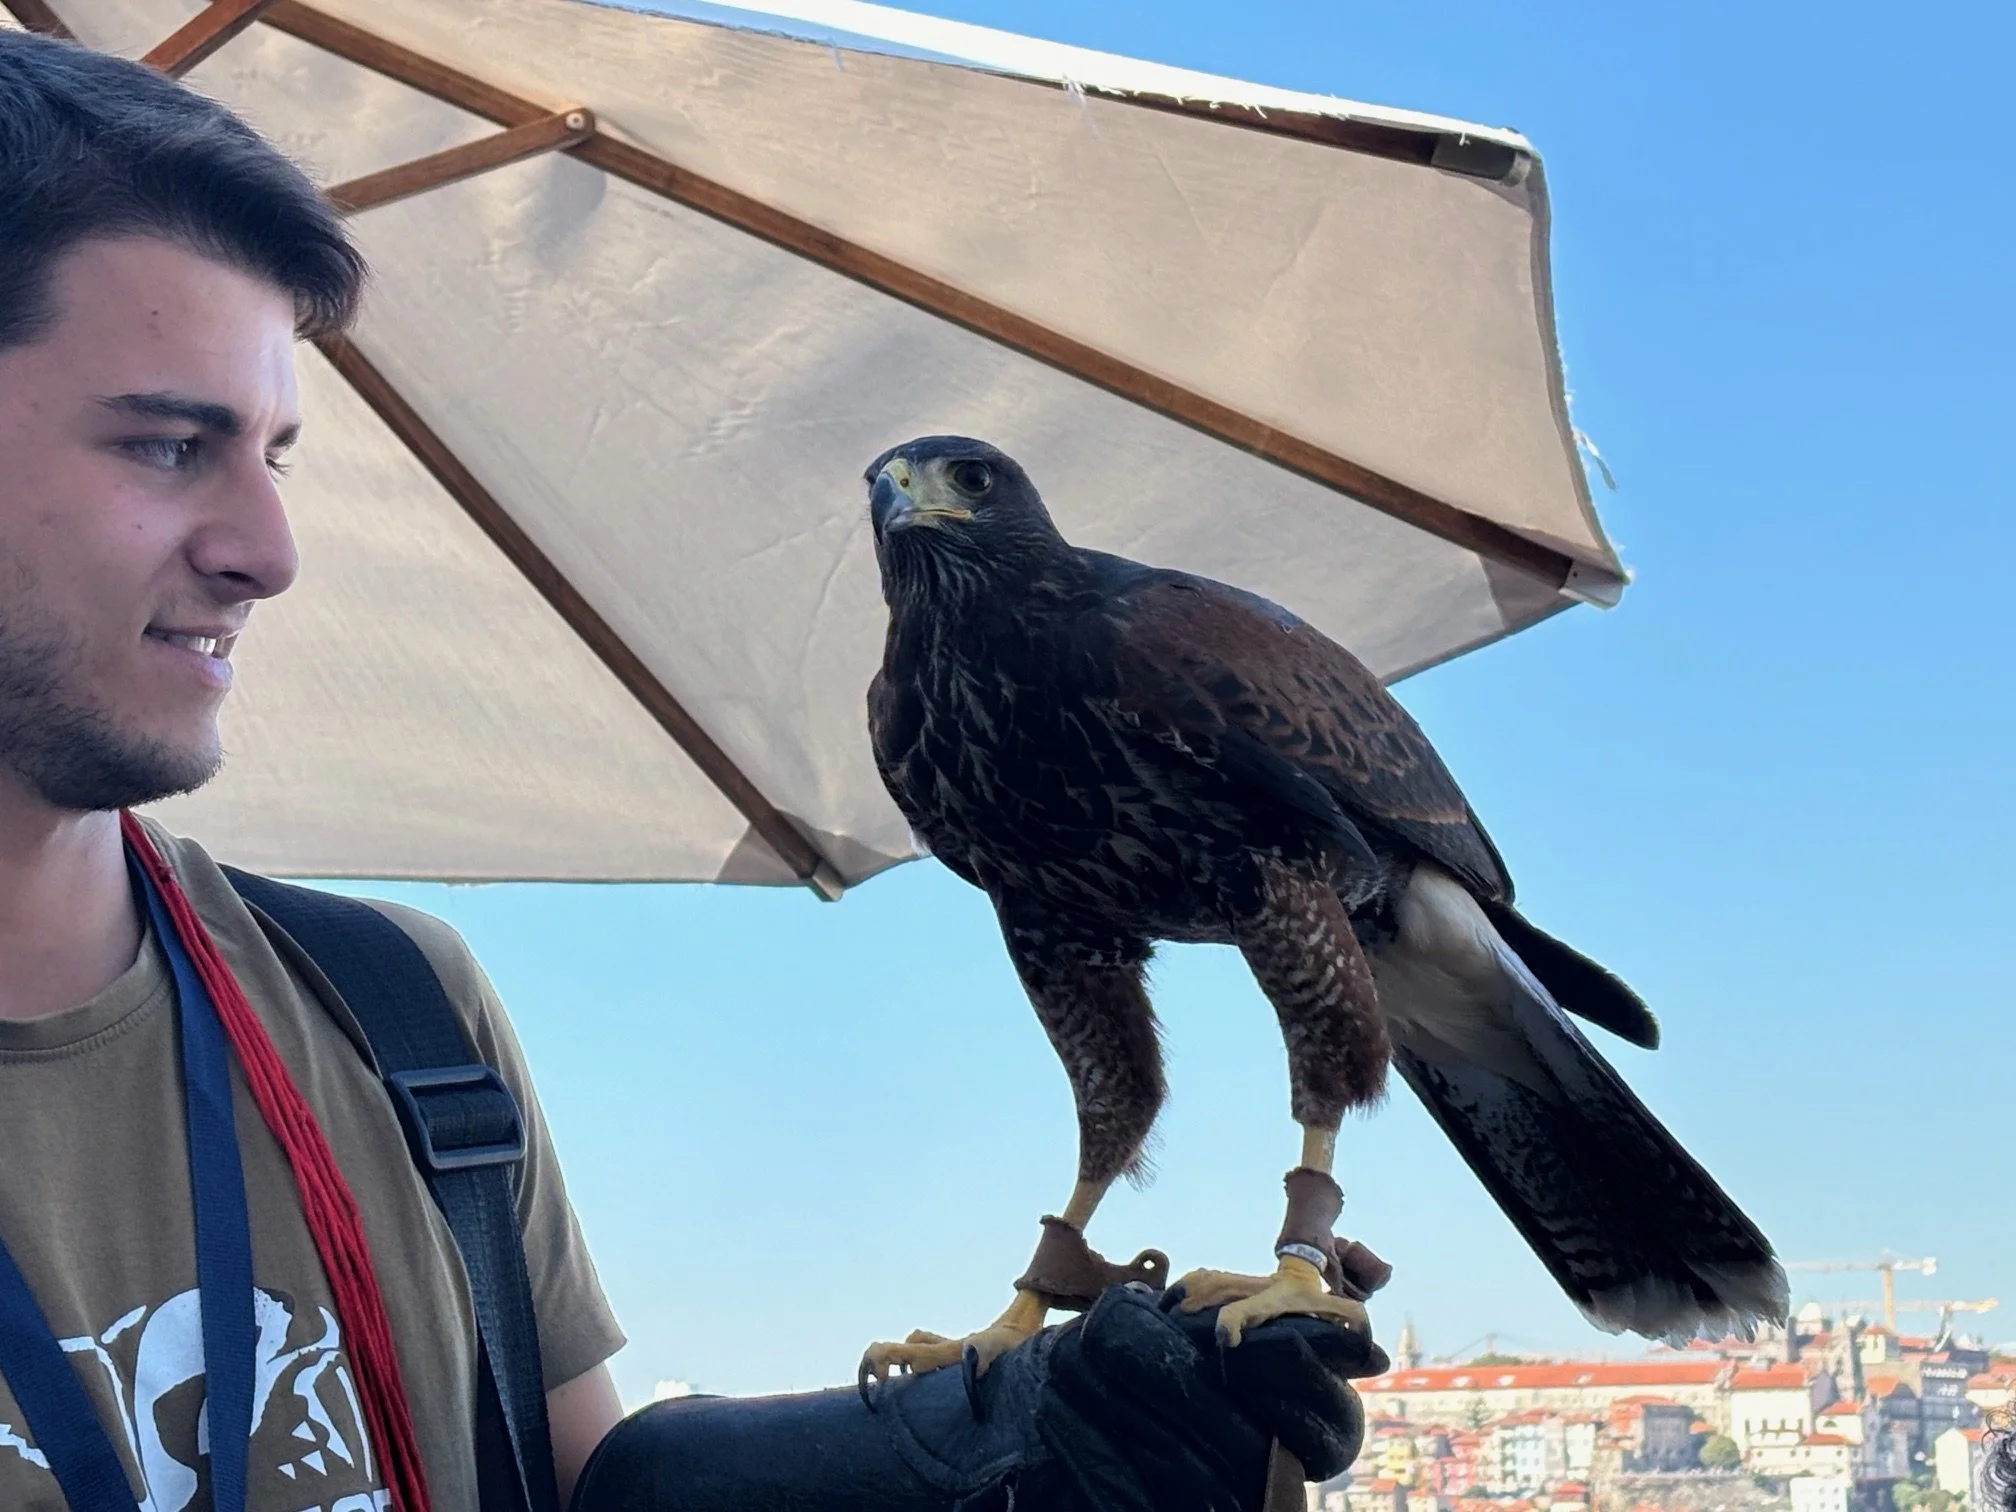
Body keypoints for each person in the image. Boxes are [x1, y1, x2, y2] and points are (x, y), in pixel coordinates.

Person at [0, 26, 1378, 1512]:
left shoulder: (398, 1018)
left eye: (276, 457)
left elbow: (580, 1485)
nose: (271, 554)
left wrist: (966, 1462)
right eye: (166, 446)